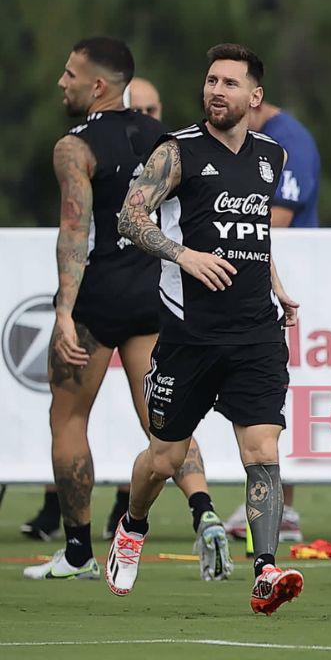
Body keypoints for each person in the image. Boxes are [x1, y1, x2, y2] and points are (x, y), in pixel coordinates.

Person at [106, 43, 304, 615]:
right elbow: (129, 216)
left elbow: (253, 236)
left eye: (230, 83)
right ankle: (133, 524)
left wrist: (276, 286)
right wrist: (183, 255)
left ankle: (264, 571)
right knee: (164, 458)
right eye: (211, 81)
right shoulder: (178, 152)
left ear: (254, 96)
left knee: (262, 450)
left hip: (256, 333)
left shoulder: (272, 156)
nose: (217, 90)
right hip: (190, 335)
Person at [22, 39, 229, 584]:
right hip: (153, 296)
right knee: (164, 421)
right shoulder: (164, 139)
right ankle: (203, 509)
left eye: (69, 74)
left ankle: (76, 551)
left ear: (97, 86)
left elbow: (75, 232)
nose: (61, 83)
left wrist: (64, 311)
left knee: (67, 418)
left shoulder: (74, 146)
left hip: (97, 299)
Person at [223, 99, 323, 543]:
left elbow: (275, 220)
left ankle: (286, 511)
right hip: (262, 282)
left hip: (285, 282)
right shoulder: (261, 139)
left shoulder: (288, 140)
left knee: (275, 395)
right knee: (269, 397)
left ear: (254, 98)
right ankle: (277, 505)